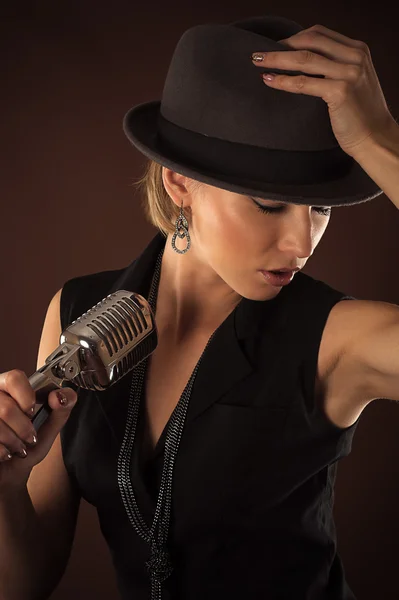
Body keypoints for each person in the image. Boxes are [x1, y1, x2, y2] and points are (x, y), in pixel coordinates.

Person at [1, 14, 398, 600]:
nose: (302, 243)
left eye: (319, 208)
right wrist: (6, 489)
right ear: (178, 183)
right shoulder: (78, 310)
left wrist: (377, 138)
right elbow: (25, 584)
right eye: (270, 204)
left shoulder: (339, 340)